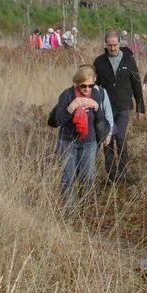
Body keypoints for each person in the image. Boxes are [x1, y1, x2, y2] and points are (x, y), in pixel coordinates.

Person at [47, 65, 113, 210]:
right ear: (77, 83)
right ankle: (70, 209)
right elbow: (57, 121)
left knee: (88, 176)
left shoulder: (96, 94)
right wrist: (71, 107)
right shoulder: (67, 95)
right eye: (83, 86)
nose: (87, 89)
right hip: (68, 142)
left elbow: (100, 121)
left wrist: (96, 107)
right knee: (68, 176)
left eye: (91, 85)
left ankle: (85, 206)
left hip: (89, 142)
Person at [93, 30, 146, 182]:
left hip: (123, 107)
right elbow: (95, 87)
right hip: (106, 109)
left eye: (115, 45)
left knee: (120, 137)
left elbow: (136, 83)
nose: (113, 48)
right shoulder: (99, 62)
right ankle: (111, 172)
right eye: (110, 45)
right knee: (108, 139)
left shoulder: (128, 59)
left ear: (119, 43)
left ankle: (124, 171)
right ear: (106, 44)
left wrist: (141, 108)